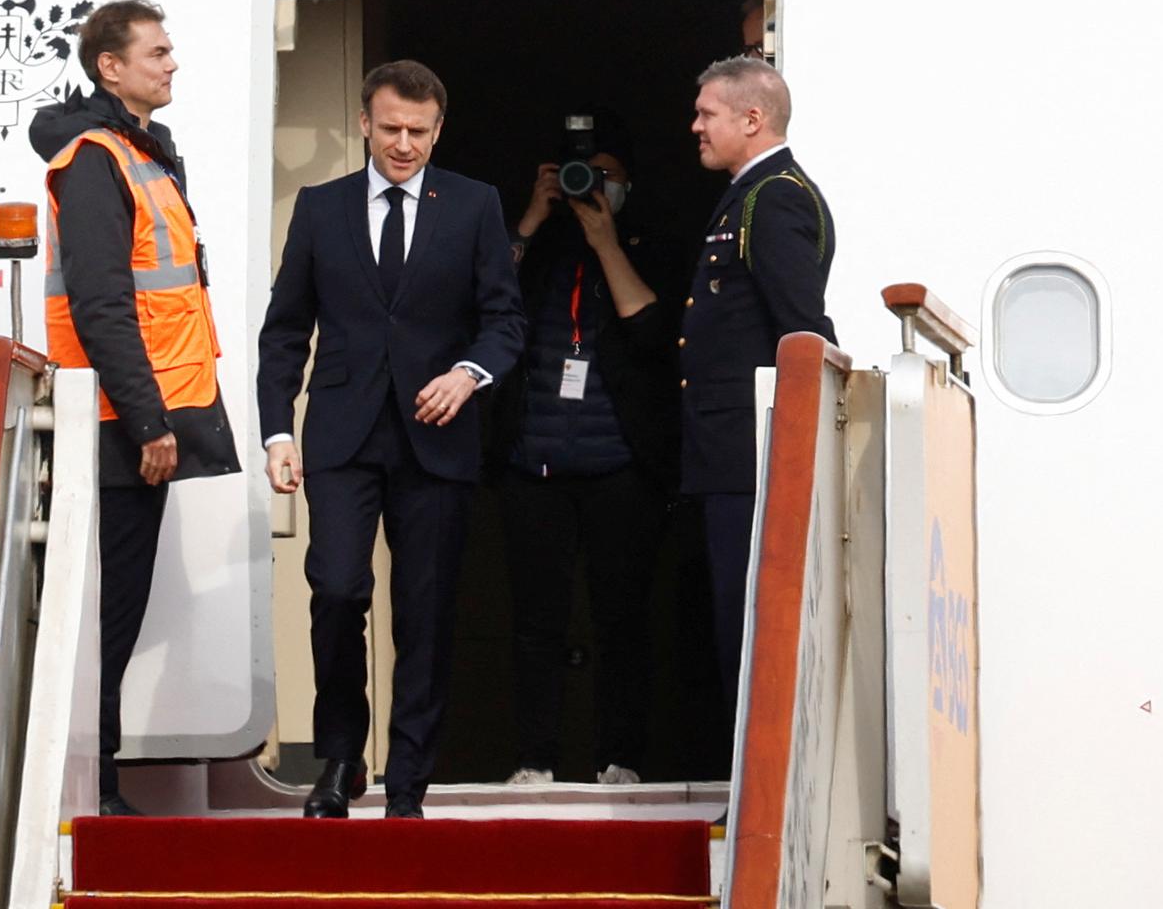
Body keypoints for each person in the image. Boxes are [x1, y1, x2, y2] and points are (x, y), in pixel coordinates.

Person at [257, 59, 525, 819]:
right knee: (337, 590)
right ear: (365, 124)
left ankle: (408, 782)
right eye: (391, 129)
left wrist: (469, 373)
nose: (403, 144)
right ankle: (341, 758)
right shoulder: (320, 207)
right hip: (340, 436)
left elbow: (505, 320)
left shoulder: (475, 206)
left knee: (426, 611)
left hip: (437, 437)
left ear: (438, 130)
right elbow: (284, 333)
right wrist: (279, 430)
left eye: (419, 131)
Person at [29, 0, 241, 817]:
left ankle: (99, 783)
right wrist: (149, 421)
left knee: (116, 609)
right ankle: (95, 788)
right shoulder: (96, 160)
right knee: (106, 617)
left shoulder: (142, 152)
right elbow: (102, 303)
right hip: (122, 427)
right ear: (109, 66)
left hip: (138, 418)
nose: (172, 62)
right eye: (157, 51)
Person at [486, 113, 681, 787]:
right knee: (535, 622)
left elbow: (654, 331)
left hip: (620, 468)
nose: (589, 188)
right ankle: (534, 760)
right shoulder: (535, 248)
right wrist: (533, 218)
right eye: (579, 176)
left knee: (620, 619)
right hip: (531, 465)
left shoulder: (646, 243)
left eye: (605, 178)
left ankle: (620, 758)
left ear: (628, 184)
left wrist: (605, 241)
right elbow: (479, 301)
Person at [681, 56, 836, 775]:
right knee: (728, 627)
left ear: (753, 118)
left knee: (747, 631)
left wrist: (801, 455)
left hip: (753, 458)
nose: (696, 126)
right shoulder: (751, 193)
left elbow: (802, 331)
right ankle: (743, 780)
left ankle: (757, 785)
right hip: (728, 454)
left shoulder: (772, 197)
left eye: (707, 113)